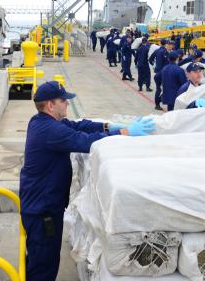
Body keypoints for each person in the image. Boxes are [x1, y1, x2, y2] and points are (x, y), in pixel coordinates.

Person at [20, 81, 156, 280]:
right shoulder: (50, 130)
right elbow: (84, 141)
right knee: (44, 265)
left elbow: (79, 125)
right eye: (63, 100)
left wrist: (108, 126)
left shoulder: (43, 121)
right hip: (43, 212)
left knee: (39, 258)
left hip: (43, 205)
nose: (67, 103)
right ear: (50, 105)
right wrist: (124, 133)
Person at [149, 40, 170, 110]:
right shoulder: (164, 52)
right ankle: (158, 103)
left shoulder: (157, 50)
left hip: (158, 72)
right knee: (161, 89)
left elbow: (150, 59)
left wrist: (154, 66)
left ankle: (158, 103)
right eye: (168, 44)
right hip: (163, 73)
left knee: (159, 89)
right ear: (166, 44)